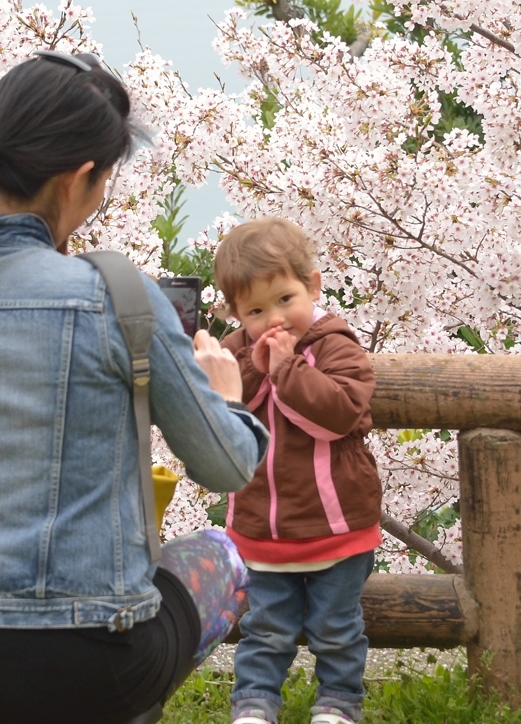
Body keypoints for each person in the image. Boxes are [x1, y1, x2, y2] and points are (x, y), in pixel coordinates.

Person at [0, 51, 268, 724]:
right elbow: (224, 466)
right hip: (88, 656)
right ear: (79, 177)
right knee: (224, 555)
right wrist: (227, 398)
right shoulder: (115, 296)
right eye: (105, 179)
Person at [214, 218, 384, 724]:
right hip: (261, 526)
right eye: (256, 311)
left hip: (337, 525)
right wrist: (251, 365)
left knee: (337, 626)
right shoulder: (234, 355)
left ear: (312, 285)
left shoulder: (337, 347)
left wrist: (286, 369)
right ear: (236, 313)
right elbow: (218, 411)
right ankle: (254, 703)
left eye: (286, 299)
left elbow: (338, 417)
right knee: (265, 626)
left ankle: (337, 702)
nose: (274, 320)